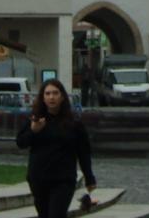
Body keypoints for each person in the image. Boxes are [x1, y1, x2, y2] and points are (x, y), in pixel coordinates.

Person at [17, 79, 97, 218]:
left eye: (55, 93)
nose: (51, 97)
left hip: (63, 179)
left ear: (62, 97)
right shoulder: (35, 119)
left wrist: (89, 178)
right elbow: (21, 142)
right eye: (47, 94)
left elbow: (84, 153)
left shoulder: (74, 124)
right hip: (39, 178)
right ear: (43, 97)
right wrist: (34, 131)